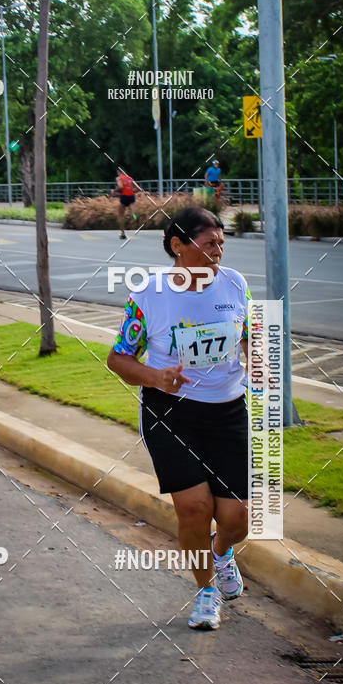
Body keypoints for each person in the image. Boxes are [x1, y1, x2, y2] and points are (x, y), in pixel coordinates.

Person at [107, 206, 250, 630]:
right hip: (171, 414)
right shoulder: (149, 292)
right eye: (209, 244)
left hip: (228, 411)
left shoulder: (235, 283)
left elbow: (250, 338)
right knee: (194, 509)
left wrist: (256, 358)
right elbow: (118, 358)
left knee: (236, 519)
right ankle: (206, 591)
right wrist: (155, 376)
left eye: (222, 242)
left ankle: (221, 552)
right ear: (177, 246)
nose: (218, 251)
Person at [111, 167, 139, 239]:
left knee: (121, 215)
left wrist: (114, 191)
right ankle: (135, 218)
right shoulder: (130, 178)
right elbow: (138, 188)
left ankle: (122, 233)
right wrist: (131, 191)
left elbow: (120, 186)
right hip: (131, 197)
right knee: (133, 213)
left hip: (124, 197)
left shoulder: (119, 178)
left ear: (119, 172)